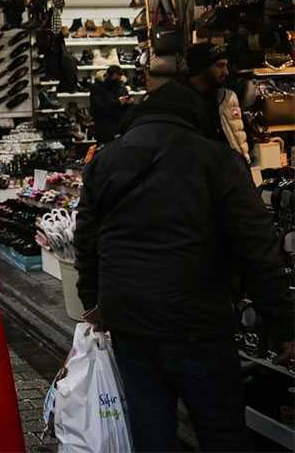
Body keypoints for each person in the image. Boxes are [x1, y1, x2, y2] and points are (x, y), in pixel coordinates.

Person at [74, 81, 294, 452]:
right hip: (199, 319)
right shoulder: (216, 159)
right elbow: (257, 248)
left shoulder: (106, 160)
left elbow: (86, 239)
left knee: (150, 429)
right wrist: (283, 324)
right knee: (221, 430)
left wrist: (92, 300)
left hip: (130, 318)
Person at [186, 42, 230, 142]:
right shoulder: (185, 104)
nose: (226, 72)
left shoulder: (219, 98)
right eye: (220, 65)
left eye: (226, 66)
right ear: (202, 68)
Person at [89, 65, 131, 144]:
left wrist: (128, 103)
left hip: (118, 125)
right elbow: (98, 107)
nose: (118, 80)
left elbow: (125, 105)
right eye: (116, 77)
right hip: (103, 125)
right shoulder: (97, 88)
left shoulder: (121, 87)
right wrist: (117, 102)